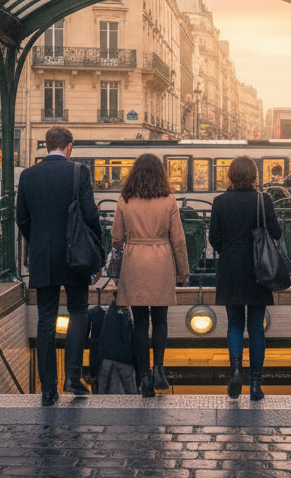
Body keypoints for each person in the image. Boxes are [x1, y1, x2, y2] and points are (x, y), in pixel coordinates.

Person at [16, 125, 101, 405]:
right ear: (69, 146)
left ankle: (48, 389)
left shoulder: (28, 175)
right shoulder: (79, 172)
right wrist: (96, 254)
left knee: (45, 320)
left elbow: (22, 219)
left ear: (45, 145)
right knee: (78, 311)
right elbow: (90, 216)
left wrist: (38, 242)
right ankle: (73, 378)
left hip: (43, 256)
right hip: (75, 255)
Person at [111, 153, 189, 398]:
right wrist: (182, 269)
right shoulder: (169, 199)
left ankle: (143, 375)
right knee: (161, 319)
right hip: (161, 260)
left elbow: (116, 237)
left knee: (140, 323)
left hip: (135, 261)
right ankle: (159, 369)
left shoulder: (125, 199)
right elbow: (178, 239)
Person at [209, 155, 280, 401]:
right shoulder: (263, 199)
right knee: (256, 327)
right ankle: (256, 385)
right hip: (258, 269)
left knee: (235, 324)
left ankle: (236, 370)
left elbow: (213, 238)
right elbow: (276, 232)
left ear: (230, 175)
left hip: (230, 267)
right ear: (253, 175)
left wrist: (229, 250)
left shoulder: (220, 201)